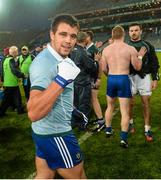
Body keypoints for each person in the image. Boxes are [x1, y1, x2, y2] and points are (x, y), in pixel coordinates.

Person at [27, 14, 86, 179]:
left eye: (73, 36)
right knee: (79, 176)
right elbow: (33, 112)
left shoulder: (59, 58)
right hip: (56, 133)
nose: (69, 40)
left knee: (45, 174)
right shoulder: (45, 63)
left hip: (44, 131)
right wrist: (61, 81)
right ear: (52, 35)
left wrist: (71, 110)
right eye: (63, 34)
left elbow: (56, 95)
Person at [102, 25, 146, 148]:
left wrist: (110, 76)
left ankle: (108, 130)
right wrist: (140, 56)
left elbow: (104, 69)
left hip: (111, 78)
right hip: (123, 78)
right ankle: (123, 139)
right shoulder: (130, 49)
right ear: (124, 34)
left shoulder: (106, 50)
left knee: (110, 106)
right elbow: (137, 67)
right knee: (124, 111)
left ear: (112, 35)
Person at [128, 23, 160, 141]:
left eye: (136, 30)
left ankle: (147, 129)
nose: (134, 32)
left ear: (141, 31)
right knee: (130, 103)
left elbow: (154, 63)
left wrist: (155, 79)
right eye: (131, 31)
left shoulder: (148, 46)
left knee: (145, 102)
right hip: (129, 77)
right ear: (128, 32)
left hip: (144, 77)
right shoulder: (126, 46)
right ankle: (130, 123)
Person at [70, 31, 99, 130]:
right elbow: (91, 67)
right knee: (84, 104)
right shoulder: (82, 52)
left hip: (73, 81)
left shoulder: (71, 50)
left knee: (75, 104)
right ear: (85, 39)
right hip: (82, 82)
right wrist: (96, 61)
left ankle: (74, 123)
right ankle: (83, 124)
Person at [86, 30, 104, 132]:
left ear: (89, 37)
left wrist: (99, 78)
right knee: (90, 99)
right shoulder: (87, 48)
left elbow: (100, 65)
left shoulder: (94, 48)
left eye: (85, 36)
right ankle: (97, 118)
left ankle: (101, 120)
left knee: (94, 99)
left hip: (93, 78)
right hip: (88, 78)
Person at [0, 46, 25, 116]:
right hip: (12, 82)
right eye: (17, 52)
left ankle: (19, 110)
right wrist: (22, 75)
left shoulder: (5, 60)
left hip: (7, 82)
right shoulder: (11, 60)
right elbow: (15, 71)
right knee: (8, 99)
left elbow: (2, 71)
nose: (17, 53)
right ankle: (2, 112)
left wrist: (2, 79)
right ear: (14, 52)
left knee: (14, 97)